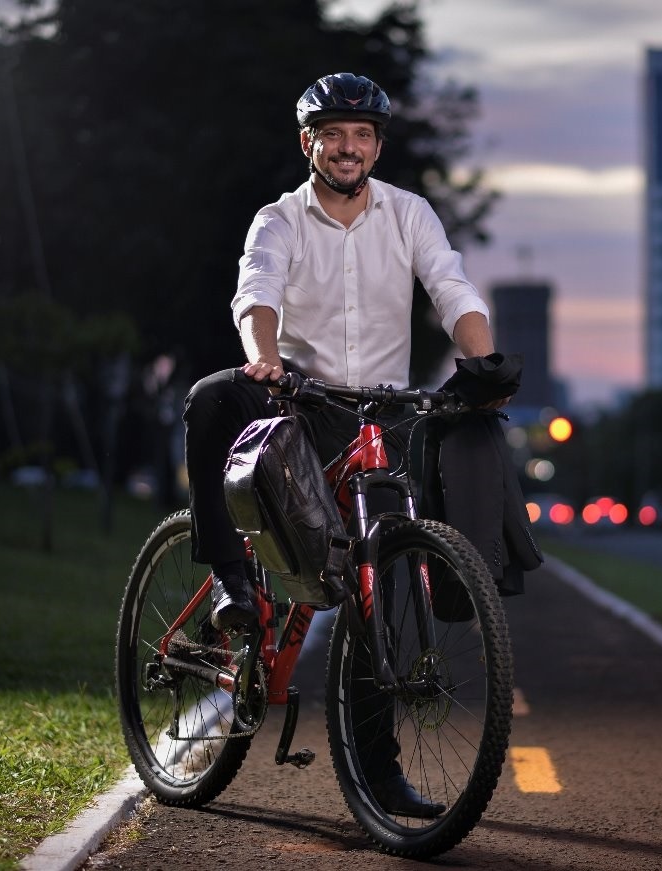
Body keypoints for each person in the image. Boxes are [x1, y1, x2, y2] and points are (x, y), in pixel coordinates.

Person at [181, 72, 502, 817]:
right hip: (300, 399)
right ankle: (232, 580)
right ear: (310, 144)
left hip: (379, 416)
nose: (349, 147)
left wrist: (483, 366)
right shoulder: (279, 220)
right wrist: (264, 357)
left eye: (362, 135)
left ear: (377, 146)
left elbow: (451, 288)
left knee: (375, 591)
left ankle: (381, 775)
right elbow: (256, 292)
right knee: (208, 399)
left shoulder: (409, 214)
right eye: (334, 135)